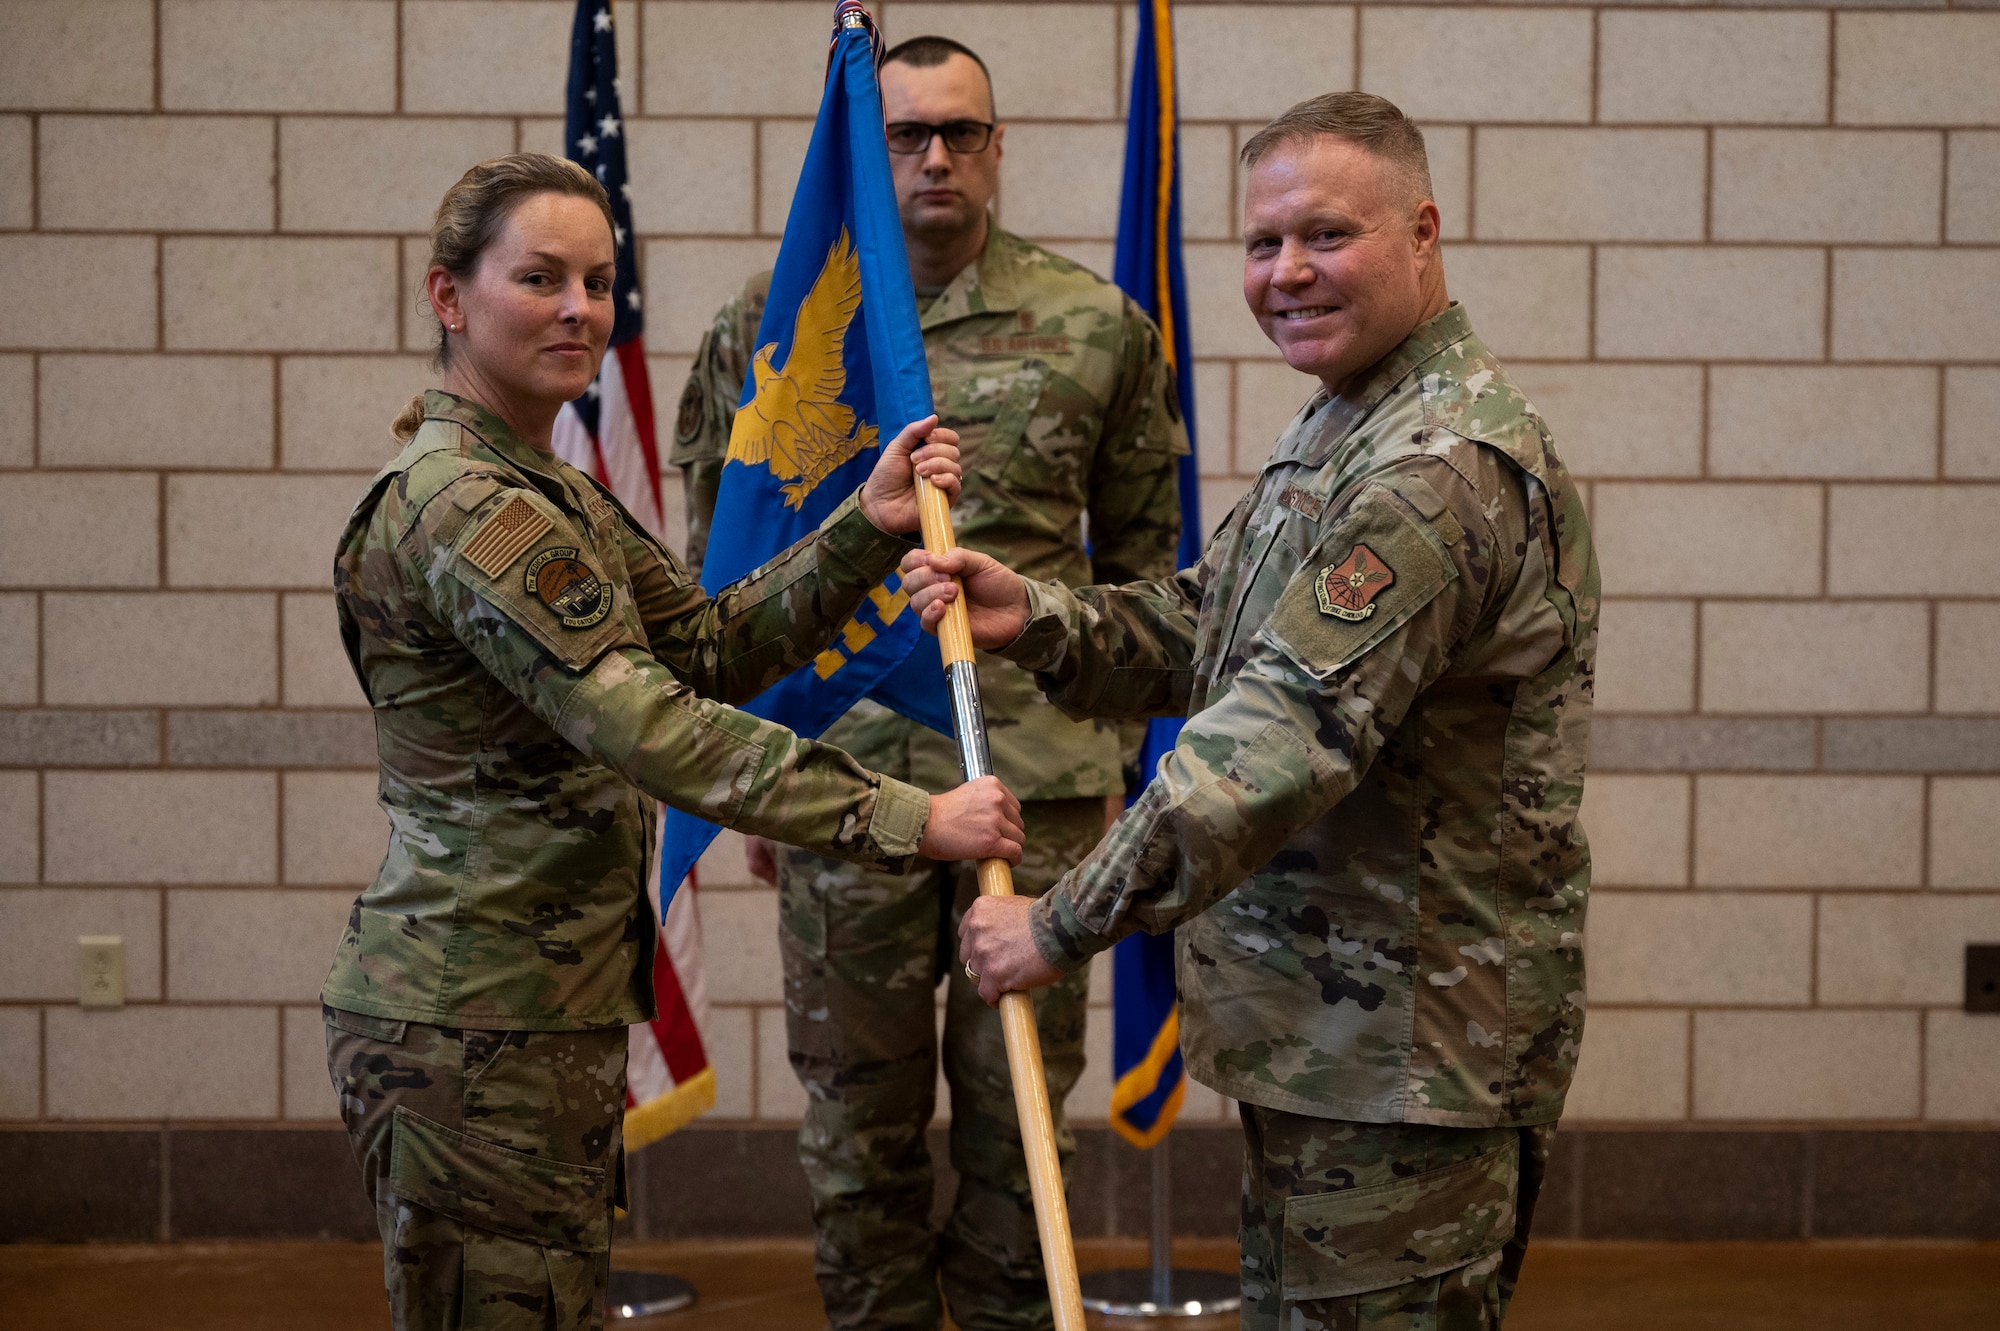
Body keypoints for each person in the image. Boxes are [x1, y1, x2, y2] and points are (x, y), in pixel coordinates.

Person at [906, 93, 1599, 1331]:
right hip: (1332, 1041)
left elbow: (1271, 735)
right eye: (1262, 243)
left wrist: (1058, 922)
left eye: (1325, 236)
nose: (1285, 273)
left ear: (1423, 233)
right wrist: (1042, 617)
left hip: (1401, 1061)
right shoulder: (1344, 424)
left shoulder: (1432, 469)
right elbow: (1214, 623)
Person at [320, 152, 1022, 1331]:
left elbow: (699, 645)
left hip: (535, 1005)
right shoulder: (469, 503)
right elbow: (647, 724)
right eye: (538, 278)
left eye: (597, 282)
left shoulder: (544, 485)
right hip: (474, 1014)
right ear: (449, 297)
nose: (578, 309)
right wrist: (910, 819)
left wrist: (865, 527)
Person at [671, 35, 1186, 1331]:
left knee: (1021, 1138)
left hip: (1040, 790)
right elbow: (720, 579)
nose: (937, 156)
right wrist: (750, 778)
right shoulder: (771, 327)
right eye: (906, 135)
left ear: (1000, 146)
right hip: (843, 789)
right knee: (857, 1142)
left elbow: (1149, 580)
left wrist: (1125, 766)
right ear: (869, 148)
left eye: (962, 131)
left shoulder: (1096, 329)